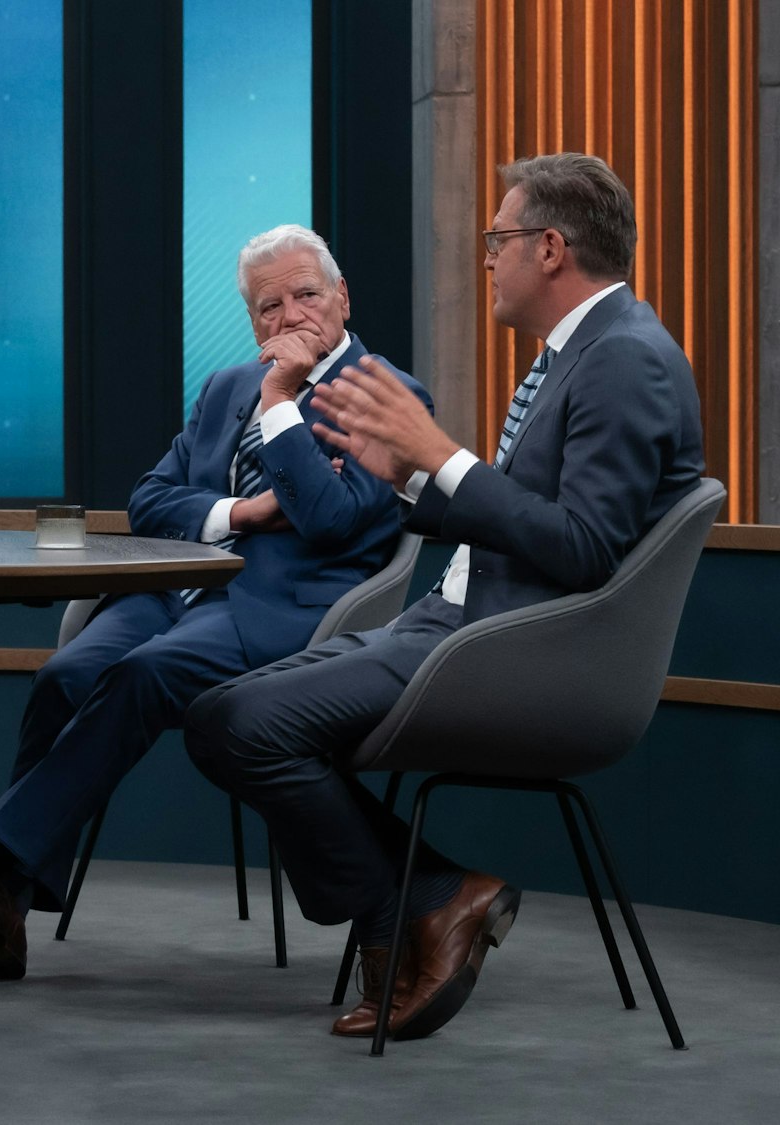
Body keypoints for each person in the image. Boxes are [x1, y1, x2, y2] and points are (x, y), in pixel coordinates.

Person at [182, 153, 705, 1041]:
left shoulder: (626, 360)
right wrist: (416, 481)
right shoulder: (582, 351)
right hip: (456, 623)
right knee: (227, 708)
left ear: (549, 248)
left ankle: (418, 903)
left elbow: (582, 549)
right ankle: (429, 897)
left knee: (238, 724)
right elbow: (535, 520)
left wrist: (441, 455)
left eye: (497, 239)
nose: (485, 257)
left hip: (512, 654)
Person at [0, 225, 430, 979]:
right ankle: (1, 895)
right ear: (252, 319)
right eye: (269, 306)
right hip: (178, 591)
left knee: (143, 675)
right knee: (66, 674)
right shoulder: (224, 386)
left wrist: (280, 399)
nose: (290, 316)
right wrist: (244, 513)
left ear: (343, 297)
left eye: (306, 295)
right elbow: (149, 500)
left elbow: (329, 518)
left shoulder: (384, 394)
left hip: (283, 610)